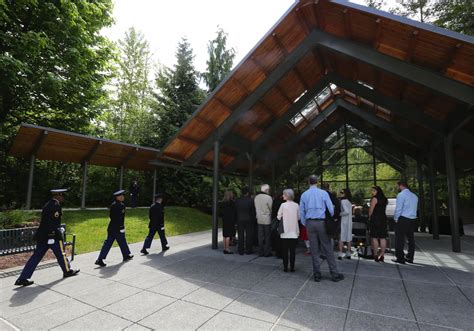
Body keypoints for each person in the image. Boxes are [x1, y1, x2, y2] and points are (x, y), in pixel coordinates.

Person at [15, 189, 79, 286]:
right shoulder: (55, 206)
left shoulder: (47, 204)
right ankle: (67, 271)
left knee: (35, 257)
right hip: (52, 236)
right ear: (58, 196)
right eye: (62, 196)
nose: (63, 197)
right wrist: (55, 233)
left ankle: (22, 278)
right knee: (61, 254)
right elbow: (52, 223)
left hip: (42, 236)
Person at [300, 175, 344, 282]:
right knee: (327, 247)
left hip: (310, 222)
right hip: (321, 222)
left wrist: (305, 223)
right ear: (317, 182)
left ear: (308, 182)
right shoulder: (323, 193)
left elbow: (301, 212)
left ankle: (317, 274)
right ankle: (334, 273)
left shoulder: (304, 195)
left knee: (314, 249)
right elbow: (331, 209)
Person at [95, 190, 134, 267]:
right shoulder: (121, 205)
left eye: (123, 195)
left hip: (111, 227)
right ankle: (126, 255)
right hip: (118, 228)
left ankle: (100, 259)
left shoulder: (113, 204)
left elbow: (111, 216)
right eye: (121, 196)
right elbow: (120, 218)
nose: (123, 197)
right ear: (117, 197)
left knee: (109, 243)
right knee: (122, 240)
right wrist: (121, 227)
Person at [393, 181, 419, 264]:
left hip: (403, 218)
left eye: (397, 186)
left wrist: (396, 218)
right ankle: (410, 257)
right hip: (412, 219)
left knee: (399, 238)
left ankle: (400, 258)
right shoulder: (414, 196)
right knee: (411, 239)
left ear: (400, 186)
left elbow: (399, 208)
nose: (397, 188)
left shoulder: (401, 195)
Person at [277, 189, 300, 272]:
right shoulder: (296, 205)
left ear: (287, 195)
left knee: (285, 250)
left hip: (285, 231)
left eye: (283, 194)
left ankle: (285, 267)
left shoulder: (283, 205)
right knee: (293, 251)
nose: (282, 196)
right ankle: (292, 267)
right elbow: (299, 217)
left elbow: (278, 216)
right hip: (294, 231)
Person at [369, 186, 388, 262]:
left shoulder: (374, 199)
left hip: (375, 219)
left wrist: (369, 218)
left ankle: (376, 255)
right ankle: (382, 255)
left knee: (374, 237)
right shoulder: (384, 199)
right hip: (383, 219)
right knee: (383, 238)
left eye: (373, 191)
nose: (372, 192)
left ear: (377, 191)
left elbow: (371, 210)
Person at [235, 187, 256, 255]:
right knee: (248, 235)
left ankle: (240, 250)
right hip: (249, 220)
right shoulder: (251, 200)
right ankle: (248, 250)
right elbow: (253, 211)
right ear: (247, 193)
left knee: (240, 235)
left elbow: (235, 210)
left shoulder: (237, 200)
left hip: (240, 219)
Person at [254, 184, 273, 257]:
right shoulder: (268, 197)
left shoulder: (256, 197)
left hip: (259, 218)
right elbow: (271, 209)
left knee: (260, 236)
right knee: (267, 236)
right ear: (267, 190)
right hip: (267, 219)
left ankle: (260, 252)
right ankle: (267, 252)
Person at [338, 188, 353, 260]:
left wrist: (340, 214)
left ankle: (340, 253)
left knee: (341, 237)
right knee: (348, 237)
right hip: (349, 221)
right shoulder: (349, 201)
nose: (340, 194)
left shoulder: (343, 201)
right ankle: (348, 253)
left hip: (344, 221)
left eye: (342, 192)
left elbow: (346, 211)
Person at [271, 192, 284, 259]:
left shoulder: (274, 201)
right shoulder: (283, 203)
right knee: (281, 237)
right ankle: (281, 252)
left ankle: (276, 250)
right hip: (281, 220)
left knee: (276, 236)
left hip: (275, 220)